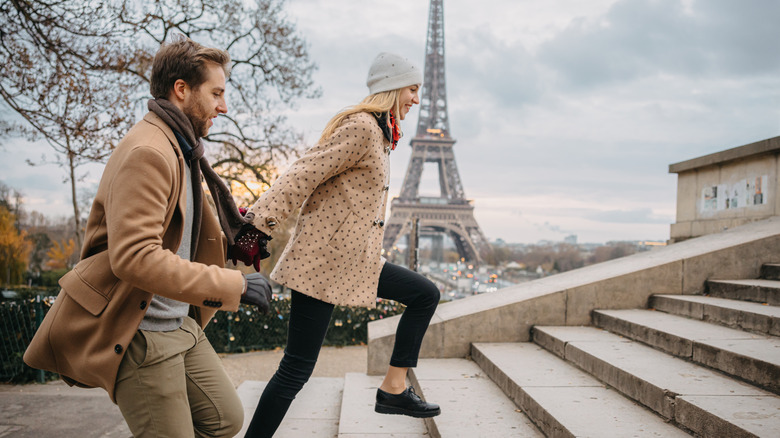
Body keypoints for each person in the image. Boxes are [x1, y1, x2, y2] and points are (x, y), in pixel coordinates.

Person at [23, 35, 273, 437]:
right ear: (181, 90)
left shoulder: (180, 146)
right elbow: (136, 257)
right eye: (216, 93)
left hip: (176, 321)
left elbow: (180, 233)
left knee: (225, 418)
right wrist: (234, 285)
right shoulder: (150, 152)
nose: (223, 106)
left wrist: (237, 236)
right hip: (141, 329)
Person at [241, 52, 441, 437]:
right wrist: (259, 227)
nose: (416, 98)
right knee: (296, 369)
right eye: (413, 89)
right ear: (393, 87)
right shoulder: (363, 128)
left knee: (424, 295)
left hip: (356, 259)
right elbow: (303, 173)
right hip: (323, 262)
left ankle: (394, 388)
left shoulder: (382, 136)